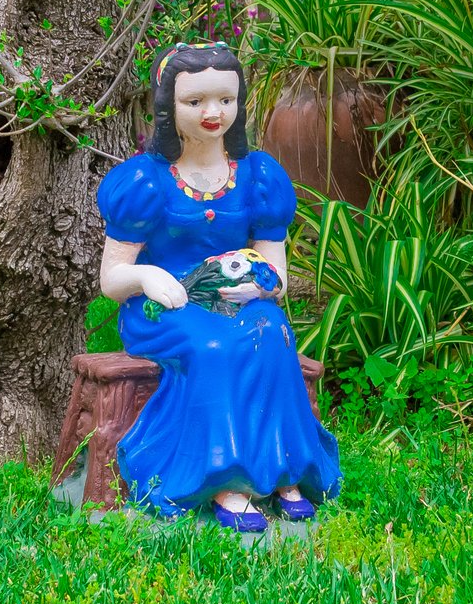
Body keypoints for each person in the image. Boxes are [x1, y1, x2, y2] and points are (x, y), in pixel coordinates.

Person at [95, 42, 340, 532]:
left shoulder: (258, 176)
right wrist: (146, 275)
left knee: (272, 333)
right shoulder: (145, 181)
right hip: (165, 306)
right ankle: (222, 480)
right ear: (167, 106)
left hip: (237, 296)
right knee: (213, 347)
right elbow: (111, 280)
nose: (214, 113)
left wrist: (261, 288)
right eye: (196, 101)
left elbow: (276, 272)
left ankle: (285, 471)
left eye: (225, 99)